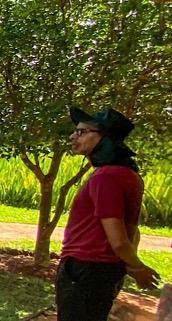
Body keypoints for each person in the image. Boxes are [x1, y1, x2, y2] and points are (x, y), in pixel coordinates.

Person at [55, 107, 160, 320]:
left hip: (86, 271)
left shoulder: (106, 178)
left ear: (105, 138)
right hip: (100, 271)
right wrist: (129, 264)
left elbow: (119, 240)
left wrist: (137, 268)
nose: (73, 136)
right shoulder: (129, 175)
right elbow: (133, 231)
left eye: (82, 132)